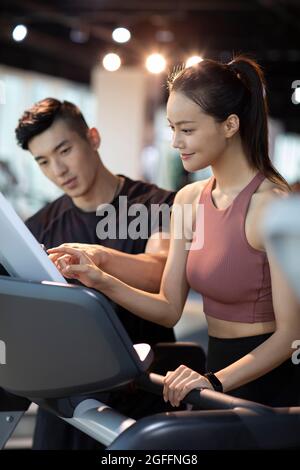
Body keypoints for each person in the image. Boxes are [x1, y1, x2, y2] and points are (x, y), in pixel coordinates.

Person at [50, 56, 300, 410]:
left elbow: (292, 334)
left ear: (229, 125)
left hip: (267, 382)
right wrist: (98, 277)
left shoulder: (271, 204)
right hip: (217, 371)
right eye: (172, 128)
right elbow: (168, 308)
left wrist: (215, 380)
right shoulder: (188, 199)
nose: (175, 142)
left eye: (187, 129)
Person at [15, 98, 177, 449]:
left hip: (141, 397)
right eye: (43, 161)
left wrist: (98, 258)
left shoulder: (157, 205)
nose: (58, 170)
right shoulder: (39, 227)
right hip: (64, 398)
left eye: (64, 150)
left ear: (93, 137)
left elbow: (160, 274)